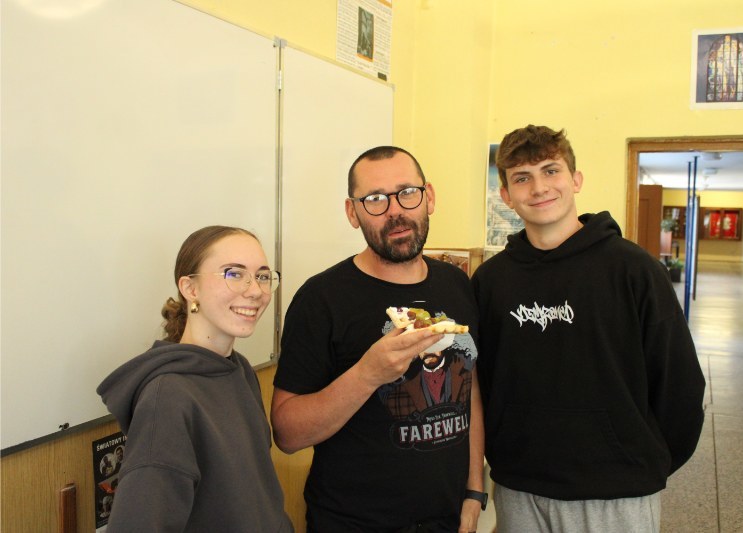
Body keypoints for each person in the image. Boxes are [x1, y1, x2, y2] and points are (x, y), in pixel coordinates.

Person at [471, 125, 706, 532]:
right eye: (522, 178)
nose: (539, 188)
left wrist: (642, 461)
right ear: (506, 195)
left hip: (617, 492)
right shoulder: (490, 281)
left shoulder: (634, 270)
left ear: (576, 179)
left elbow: (679, 384)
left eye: (551, 171)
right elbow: (482, 382)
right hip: (519, 486)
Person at [271, 146, 486, 533]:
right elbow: (287, 434)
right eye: (374, 199)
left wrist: (474, 493)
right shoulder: (321, 299)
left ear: (429, 197)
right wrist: (367, 374)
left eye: (407, 192)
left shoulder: (457, 284)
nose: (395, 211)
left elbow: (469, 392)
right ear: (352, 212)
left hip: (447, 519)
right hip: (353, 523)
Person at [97, 225, 294, 533]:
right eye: (234, 273)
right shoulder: (168, 398)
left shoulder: (239, 370)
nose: (256, 290)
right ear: (190, 288)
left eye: (263, 276)